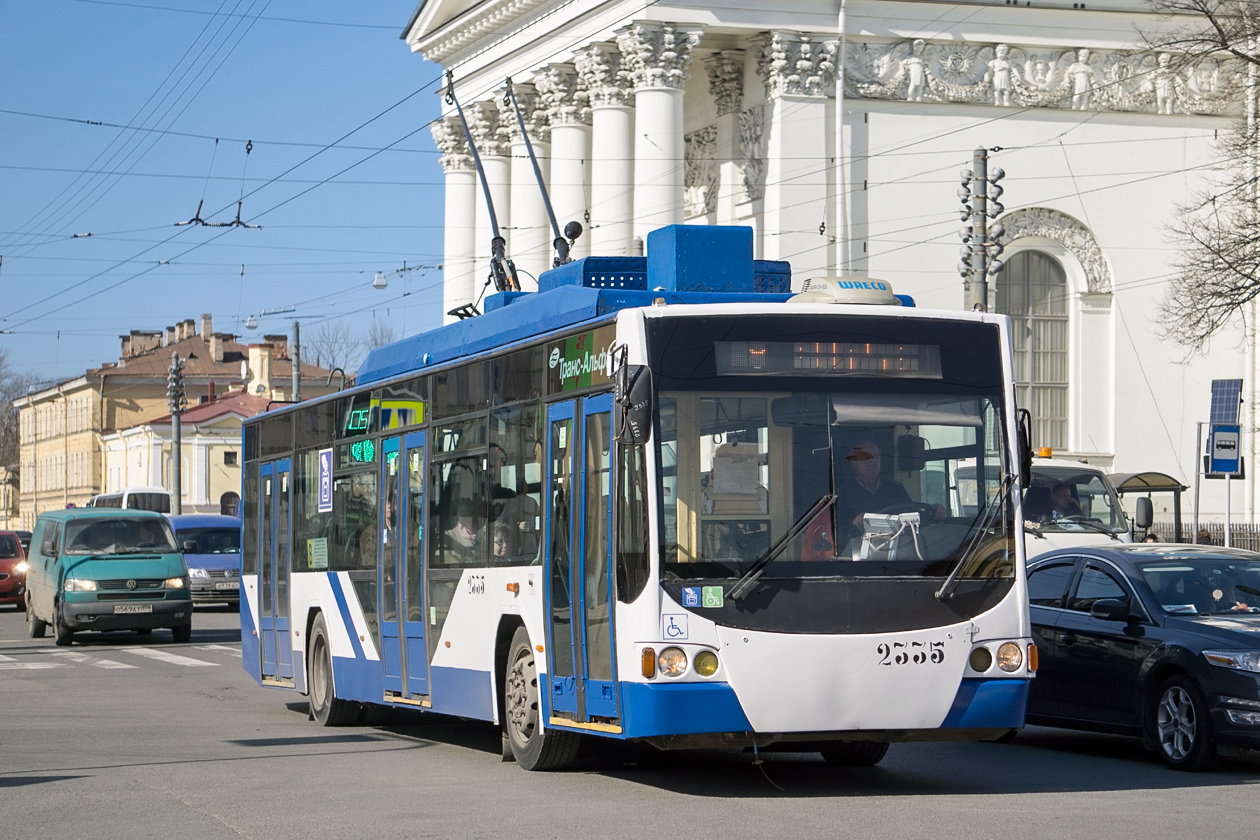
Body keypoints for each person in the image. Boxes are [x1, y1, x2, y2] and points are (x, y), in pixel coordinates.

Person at [835, 439, 941, 543]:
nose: (872, 462)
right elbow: (837, 532)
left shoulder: (895, 489)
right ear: (854, 463)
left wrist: (933, 513)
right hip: (858, 554)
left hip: (899, 551)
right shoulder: (842, 495)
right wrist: (853, 524)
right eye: (865, 457)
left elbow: (912, 517)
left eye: (876, 457)